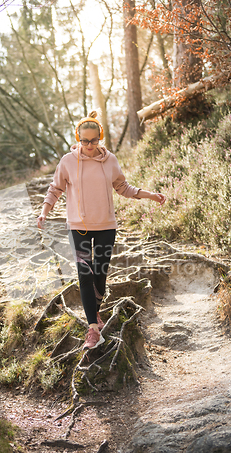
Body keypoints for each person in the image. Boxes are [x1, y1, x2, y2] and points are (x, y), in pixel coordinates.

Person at [37, 111, 166, 350]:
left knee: (100, 275)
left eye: (93, 140)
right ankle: (93, 329)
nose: (88, 145)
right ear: (78, 138)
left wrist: (149, 194)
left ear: (100, 138)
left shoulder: (110, 161)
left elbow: (123, 187)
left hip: (106, 226)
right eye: (84, 140)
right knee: (85, 275)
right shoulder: (67, 161)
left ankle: (95, 313)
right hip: (79, 228)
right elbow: (54, 189)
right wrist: (45, 211)